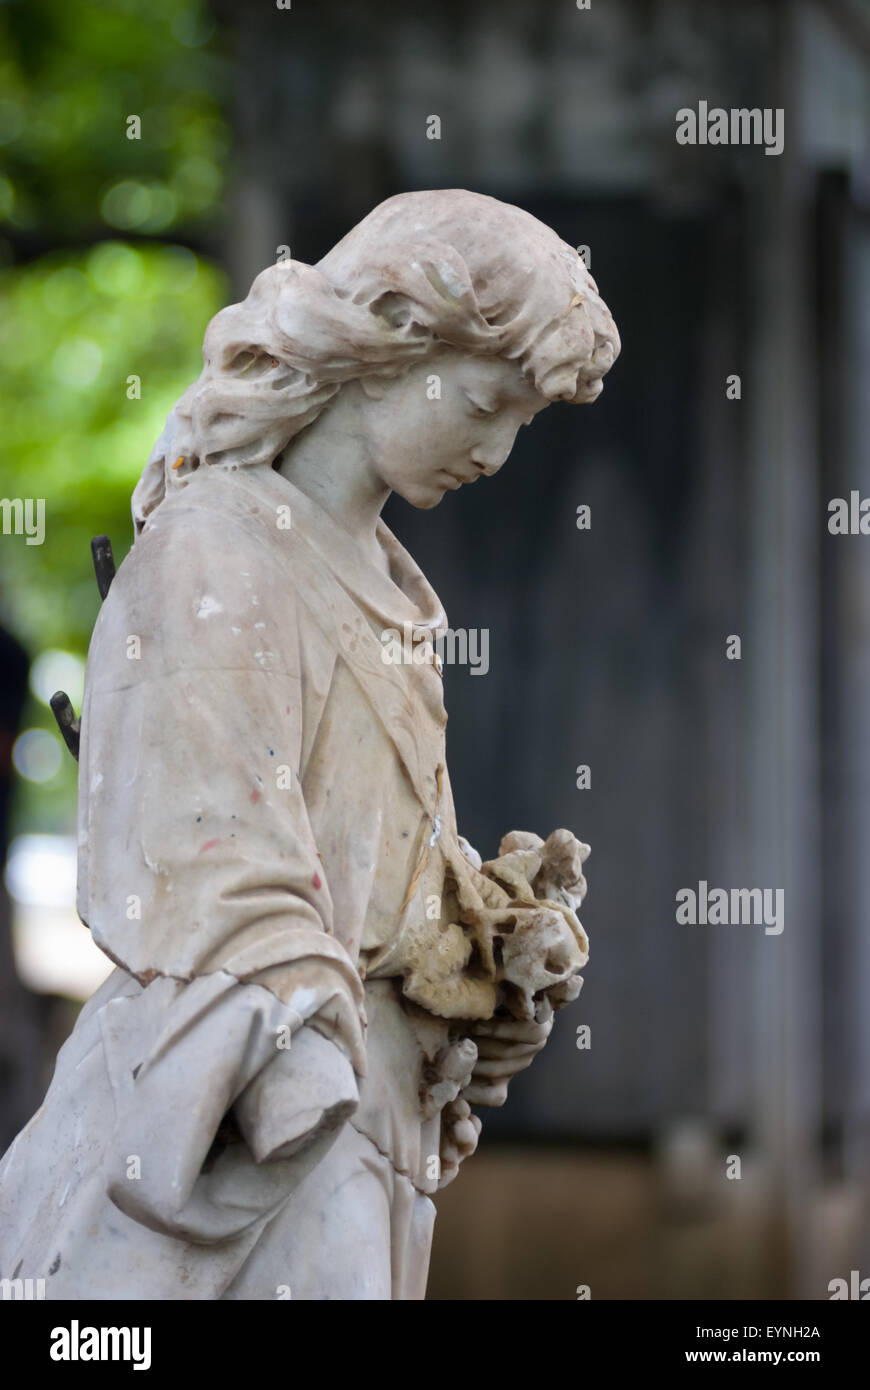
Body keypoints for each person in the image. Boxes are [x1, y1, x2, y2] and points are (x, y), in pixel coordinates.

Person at [0, 189, 619, 1300]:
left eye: (524, 420)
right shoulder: (214, 558)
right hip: (255, 1114)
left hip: (367, 1113)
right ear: (387, 341)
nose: (500, 450)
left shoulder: (392, 592)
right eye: (487, 403)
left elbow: (375, 868)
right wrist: (320, 1047)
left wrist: (482, 963)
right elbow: (210, 862)